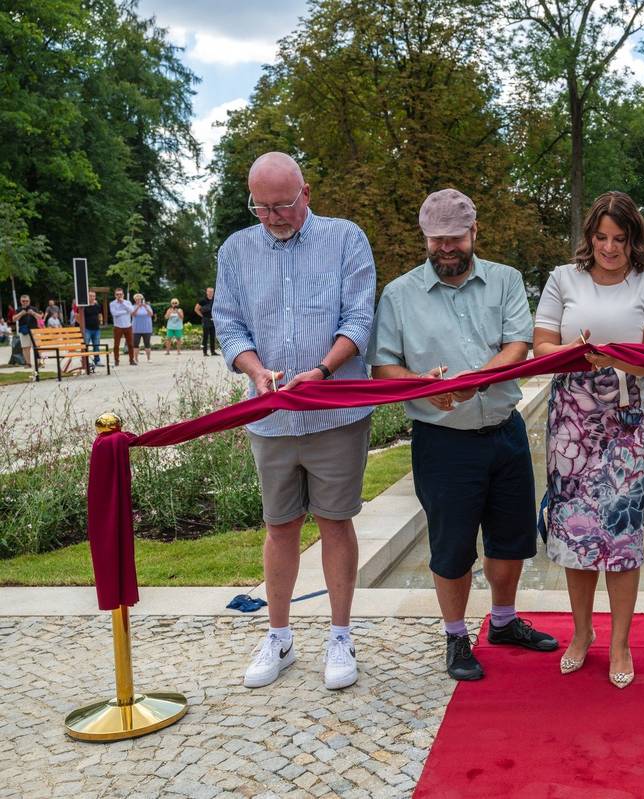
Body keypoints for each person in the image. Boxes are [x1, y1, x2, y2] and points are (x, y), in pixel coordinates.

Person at [367, 188, 558, 683]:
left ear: (474, 233)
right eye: (436, 240)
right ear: (425, 238)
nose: (445, 248)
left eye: (455, 238)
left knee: (512, 538)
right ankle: (455, 635)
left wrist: (469, 381)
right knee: (451, 545)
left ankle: (503, 620)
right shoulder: (400, 294)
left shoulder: (505, 280)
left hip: (504, 431)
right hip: (442, 439)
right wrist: (425, 388)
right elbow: (383, 364)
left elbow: (519, 343)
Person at [214, 152, 376, 691]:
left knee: (335, 520)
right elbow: (228, 322)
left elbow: (359, 316)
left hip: (334, 410)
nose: (272, 217)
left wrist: (324, 370)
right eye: (260, 207)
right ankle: (278, 635)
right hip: (272, 414)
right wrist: (256, 370)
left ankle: (340, 634)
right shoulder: (236, 250)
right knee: (279, 526)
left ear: (306, 192)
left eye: (282, 205)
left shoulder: (345, 239)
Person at [532, 192, 644, 688]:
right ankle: (580, 634)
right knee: (573, 529)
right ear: (588, 237)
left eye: (620, 239)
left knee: (620, 532)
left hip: (628, 418)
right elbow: (542, 346)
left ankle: (619, 641)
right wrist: (575, 352)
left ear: (634, 240)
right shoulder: (562, 279)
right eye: (601, 238)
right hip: (571, 417)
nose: (610, 248)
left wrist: (611, 357)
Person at [13, 295, 44, 369]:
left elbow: (40, 317)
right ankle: (28, 363)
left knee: (37, 347)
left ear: (29, 301)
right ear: (20, 301)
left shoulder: (33, 308)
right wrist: (21, 313)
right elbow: (14, 319)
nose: (25, 302)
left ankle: (40, 362)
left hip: (34, 330)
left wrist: (33, 313)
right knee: (25, 347)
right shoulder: (18, 309)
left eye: (26, 301)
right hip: (24, 330)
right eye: (23, 301)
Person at [109, 288, 135, 366]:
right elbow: (114, 313)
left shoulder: (127, 302)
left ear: (123, 295)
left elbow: (131, 311)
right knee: (116, 345)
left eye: (120, 294)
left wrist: (123, 303)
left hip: (128, 326)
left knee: (130, 344)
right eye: (117, 294)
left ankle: (131, 360)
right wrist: (125, 311)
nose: (119, 296)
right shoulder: (112, 303)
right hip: (118, 326)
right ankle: (116, 360)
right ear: (115, 295)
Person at [81, 291, 103, 366]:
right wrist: (82, 325)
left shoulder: (97, 305)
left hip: (96, 329)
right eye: (90, 296)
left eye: (93, 296)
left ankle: (97, 360)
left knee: (96, 345)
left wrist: (101, 321)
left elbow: (100, 314)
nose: (92, 297)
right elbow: (78, 316)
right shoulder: (84, 306)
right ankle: (85, 361)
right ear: (87, 297)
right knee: (86, 345)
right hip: (87, 329)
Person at [131, 293, 155, 361]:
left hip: (147, 328)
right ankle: (136, 359)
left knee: (147, 344)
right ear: (135, 300)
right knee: (136, 344)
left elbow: (151, 314)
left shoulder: (147, 306)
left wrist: (145, 307)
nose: (138, 300)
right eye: (137, 299)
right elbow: (133, 314)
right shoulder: (133, 306)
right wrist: (138, 307)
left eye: (139, 299)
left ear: (142, 299)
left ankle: (148, 358)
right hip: (136, 329)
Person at [196, 287, 218, 356]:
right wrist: (202, 316)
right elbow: (196, 309)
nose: (211, 293)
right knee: (205, 336)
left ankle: (213, 351)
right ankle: (204, 352)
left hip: (213, 320)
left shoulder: (215, 300)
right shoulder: (203, 300)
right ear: (206, 292)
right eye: (209, 291)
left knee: (213, 336)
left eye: (212, 292)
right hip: (205, 320)